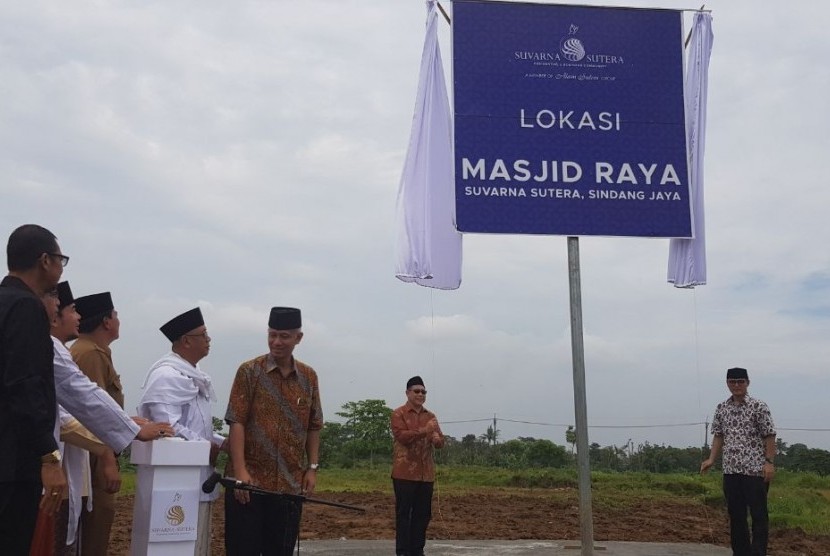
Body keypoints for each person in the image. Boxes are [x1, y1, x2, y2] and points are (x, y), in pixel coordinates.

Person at [48, 282, 174, 554]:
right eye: (71, 310)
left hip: (88, 454)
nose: (78, 317)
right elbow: (84, 408)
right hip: (87, 458)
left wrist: (129, 422)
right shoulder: (88, 352)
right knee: (86, 534)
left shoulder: (90, 351)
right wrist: (117, 445)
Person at [224, 307, 323, 556]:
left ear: (298, 338)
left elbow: (314, 425)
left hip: (289, 486)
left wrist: (311, 468)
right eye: (272, 335)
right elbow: (237, 421)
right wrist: (240, 473)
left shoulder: (309, 377)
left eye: (284, 336)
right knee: (242, 549)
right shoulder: (249, 371)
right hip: (250, 484)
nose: (277, 342)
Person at [0, 224, 68, 555]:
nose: (60, 267)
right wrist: (48, 456)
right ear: (45, 261)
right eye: (60, 259)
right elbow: (24, 385)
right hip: (13, 464)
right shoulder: (26, 308)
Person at [137, 307, 227, 556]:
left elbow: (195, 425)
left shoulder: (194, 375)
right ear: (186, 340)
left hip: (197, 473)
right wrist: (206, 447)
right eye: (204, 334)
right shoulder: (166, 376)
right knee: (174, 541)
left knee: (196, 543)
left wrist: (220, 441)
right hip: (174, 478)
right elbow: (168, 427)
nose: (209, 340)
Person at [69, 291, 125, 556]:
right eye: (115, 315)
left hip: (94, 455)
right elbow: (94, 415)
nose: (118, 320)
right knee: (94, 529)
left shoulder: (94, 351)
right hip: (93, 459)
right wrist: (108, 460)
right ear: (106, 321)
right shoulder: (90, 354)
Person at [701, 367, 776, 556]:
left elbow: (769, 435)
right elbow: (719, 435)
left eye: (740, 381)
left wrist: (769, 462)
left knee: (759, 516)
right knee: (736, 516)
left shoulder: (759, 406)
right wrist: (711, 459)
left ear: (747, 383)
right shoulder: (722, 408)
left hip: (755, 470)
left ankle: (758, 553)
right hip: (731, 471)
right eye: (732, 382)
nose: (736, 385)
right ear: (727, 383)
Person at [391, 375, 445, 556]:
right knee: (404, 515)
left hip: (426, 474)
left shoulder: (431, 416)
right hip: (404, 473)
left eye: (423, 392)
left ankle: (417, 550)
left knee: (423, 515)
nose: (420, 394)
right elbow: (403, 437)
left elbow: (440, 441)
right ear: (407, 393)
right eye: (416, 391)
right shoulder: (398, 414)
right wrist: (425, 431)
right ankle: (403, 552)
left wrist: (437, 439)